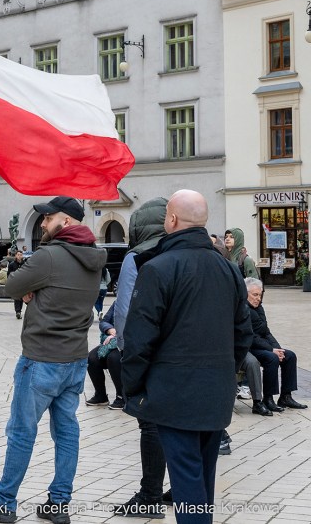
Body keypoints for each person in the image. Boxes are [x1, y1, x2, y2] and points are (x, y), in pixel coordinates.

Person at [0, 196, 104, 524]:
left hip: (41, 359)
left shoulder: (50, 255)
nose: (42, 223)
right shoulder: (95, 258)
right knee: (66, 430)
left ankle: (4, 501)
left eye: (47, 218)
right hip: (75, 360)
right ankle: (58, 504)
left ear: (65, 221)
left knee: (22, 431)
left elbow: (12, 285)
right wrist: (39, 293)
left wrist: (32, 293)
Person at [121, 190, 253, 524]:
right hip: (214, 392)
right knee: (202, 477)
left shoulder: (157, 268)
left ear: (172, 219)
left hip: (174, 393)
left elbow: (138, 340)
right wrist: (226, 372)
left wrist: (133, 388)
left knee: (188, 479)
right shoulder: (228, 270)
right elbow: (243, 334)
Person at [110, 198, 172, 518]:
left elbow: (124, 311)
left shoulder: (138, 256)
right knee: (183, 423)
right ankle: (181, 487)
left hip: (151, 352)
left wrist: (124, 348)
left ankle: (150, 494)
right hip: (190, 353)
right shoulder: (191, 253)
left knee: (151, 423)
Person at [245, 277, 307, 412]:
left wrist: (278, 349)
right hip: (250, 347)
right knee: (271, 358)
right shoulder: (243, 309)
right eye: (255, 295)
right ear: (246, 294)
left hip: (263, 345)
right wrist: (272, 350)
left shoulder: (259, 308)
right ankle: (268, 398)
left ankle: (286, 396)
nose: (258, 298)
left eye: (260, 295)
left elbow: (266, 332)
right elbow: (251, 337)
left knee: (289, 356)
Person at [85, 309, 123, 409]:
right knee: (91, 357)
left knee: (113, 358)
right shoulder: (117, 303)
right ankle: (100, 395)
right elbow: (104, 321)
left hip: (125, 343)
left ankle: (121, 396)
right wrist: (110, 330)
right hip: (110, 343)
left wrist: (119, 334)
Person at [8, 249, 25, 320]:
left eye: (21, 255)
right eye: (18, 255)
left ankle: (19, 310)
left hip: (23, 283)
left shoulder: (24, 264)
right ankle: (18, 311)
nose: (20, 256)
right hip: (15, 283)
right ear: (16, 255)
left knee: (21, 298)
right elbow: (9, 274)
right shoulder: (12, 264)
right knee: (17, 298)